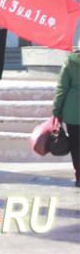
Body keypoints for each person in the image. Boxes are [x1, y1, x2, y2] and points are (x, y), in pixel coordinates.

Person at [53, 43, 80, 187]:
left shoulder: (70, 61)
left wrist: (56, 110)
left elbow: (62, 88)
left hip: (73, 111)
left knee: (76, 145)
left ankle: (79, 175)